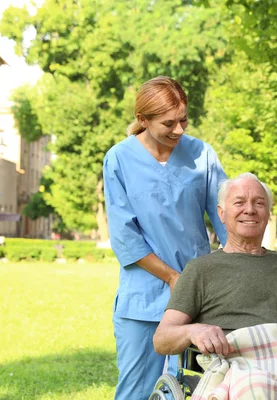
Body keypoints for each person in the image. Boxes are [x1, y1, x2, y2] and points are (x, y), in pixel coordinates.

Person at [153, 173, 277, 373]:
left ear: (268, 214)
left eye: (259, 203)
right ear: (221, 213)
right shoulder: (200, 270)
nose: (249, 210)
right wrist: (193, 331)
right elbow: (162, 339)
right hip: (232, 373)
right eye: (239, 202)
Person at [103, 76, 228, 400]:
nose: (179, 130)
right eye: (168, 123)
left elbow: (225, 213)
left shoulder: (201, 154)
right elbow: (124, 236)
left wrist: (239, 263)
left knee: (209, 388)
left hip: (200, 295)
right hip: (143, 297)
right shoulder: (119, 159)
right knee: (135, 391)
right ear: (142, 120)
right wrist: (173, 277)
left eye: (184, 119)